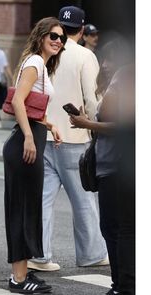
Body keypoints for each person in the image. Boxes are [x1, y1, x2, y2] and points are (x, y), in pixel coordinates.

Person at [27, 6, 108, 272]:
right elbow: (92, 99)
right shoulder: (86, 55)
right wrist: (96, 127)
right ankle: (92, 254)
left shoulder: (45, 52)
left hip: (45, 133)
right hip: (74, 136)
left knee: (43, 199)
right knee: (83, 200)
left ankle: (38, 255)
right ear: (82, 30)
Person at [2, 17, 66, 293]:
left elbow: (30, 106)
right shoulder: (35, 62)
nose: (58, 41)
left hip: (31, 140)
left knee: (28, 207)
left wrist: (48, 125)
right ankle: (18, 279)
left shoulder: (38, 63)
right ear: (41, 35)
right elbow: (17, 100)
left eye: (62, 38)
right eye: (53, 35)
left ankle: (22, 272)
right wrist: (29, 136)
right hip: (24, 145)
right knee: (22, 209)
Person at [70, 39, 135, 295]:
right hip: (115, 164)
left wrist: (88, 124)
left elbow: (126, 126)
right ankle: (121, 284)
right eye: (104, 58)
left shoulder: (125, 77)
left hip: (118, 166)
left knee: (119, 227)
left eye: (111, 58)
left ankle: (125, 286)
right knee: (116, 227)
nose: (105, 64)